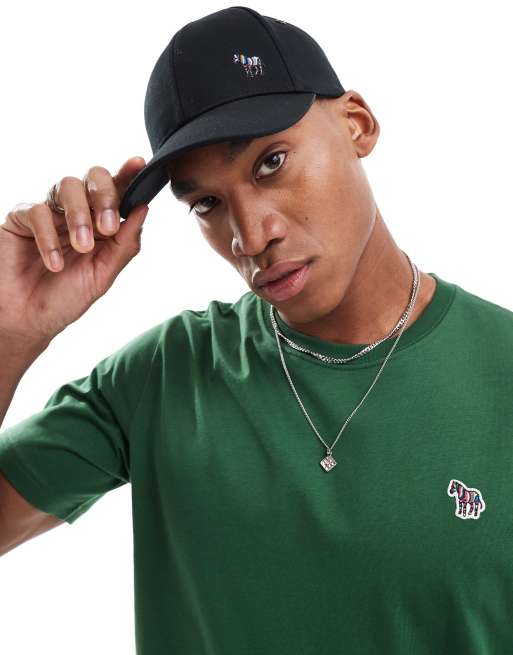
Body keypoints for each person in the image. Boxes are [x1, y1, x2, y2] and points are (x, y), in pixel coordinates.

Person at [1, 5, 512, 654]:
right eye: (207, 203)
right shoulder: (166, 376)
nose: (249, 234)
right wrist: (12, 325)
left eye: (271, 162)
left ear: (356, 124)